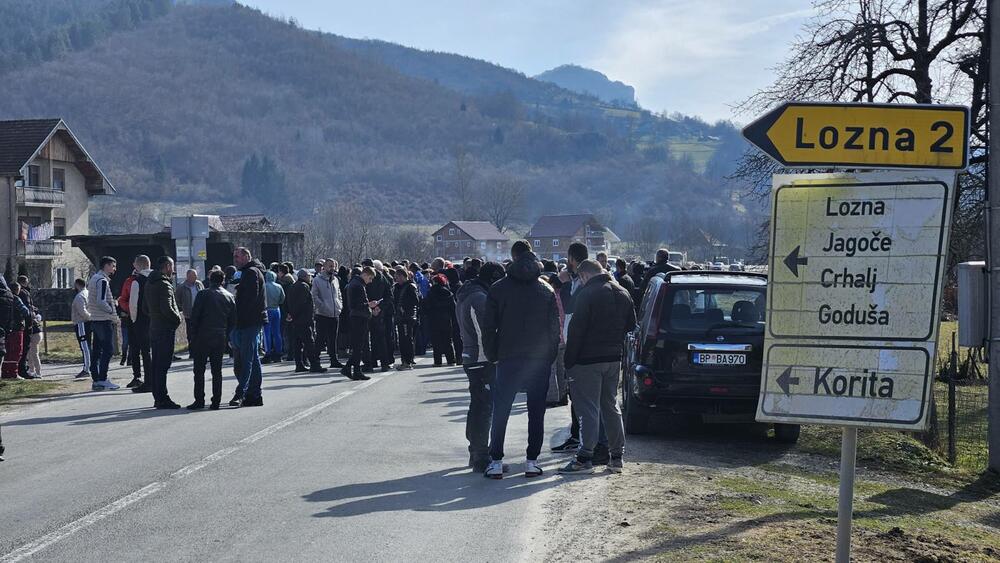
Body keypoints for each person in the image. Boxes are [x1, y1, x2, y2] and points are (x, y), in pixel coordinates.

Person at [481, 241, 560, 479]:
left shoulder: (498, 288)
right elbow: (554, 328)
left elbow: (489, 327)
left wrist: (493, 354)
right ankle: (531, 461)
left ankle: (496, 461)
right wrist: (549, 355)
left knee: (501, 409)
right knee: (536, 411)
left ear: (513, 258)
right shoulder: (546, 290)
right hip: (538, 359)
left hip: (508, 357)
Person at [558, 260, 635, 475]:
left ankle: (584, 457)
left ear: (583, 276)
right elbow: (631, 325)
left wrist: (568, 362)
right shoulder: (622, 292)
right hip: (613, 358)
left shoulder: (587, 293)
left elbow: (576, 331)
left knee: (588, 409)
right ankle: (617, 457)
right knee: (611, 406)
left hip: (586, 360)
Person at [455, 262, 506, 473]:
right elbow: (487, 332)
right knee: (484, 410)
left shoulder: (468, 293)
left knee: (477, 407)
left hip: (472, 356)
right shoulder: (480, 298)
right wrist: (496, 357)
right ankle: (481, 456)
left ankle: (475, 451)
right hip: (481, 358)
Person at [187, 269, 236, 410]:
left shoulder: (203, 294)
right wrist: (226, 333)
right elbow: (233, 319)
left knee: (199, 370)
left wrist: (193, 336)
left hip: (203, 335)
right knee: (217, 370)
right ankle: (216, 401)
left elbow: (195, 316)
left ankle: (199, 399)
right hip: (219, 335)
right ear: (223, 280)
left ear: (210, 280)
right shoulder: (229, 296)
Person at [143, 256, 183, 409]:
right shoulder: (164, 284)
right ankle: (162, 398)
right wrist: (177, 319)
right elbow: (168, 308)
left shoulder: (149, 282)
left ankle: (158, 396)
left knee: (156, 364)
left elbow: (145, 308)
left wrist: (154, 316)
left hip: (154, 326)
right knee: (163, 365)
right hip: (165, 328)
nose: (173, 270)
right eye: (172, 266)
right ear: (167, 266)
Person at [231, 247, 267, 407]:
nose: (235, 259)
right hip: (250, 321)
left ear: (246, 256)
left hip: (249, 321)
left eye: (237, 256)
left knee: (246, 359)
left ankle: (242, 392)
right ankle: (254, 394)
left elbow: (250, 299)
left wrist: (239, 313)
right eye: (234, 257)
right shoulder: (250, 272)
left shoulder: (251, 272)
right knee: (252, 358)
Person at [86, 256, 120, 391]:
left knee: (97, 351)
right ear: (106, 266)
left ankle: (96, 379)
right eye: (113, 266)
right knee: (108, 350)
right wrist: (111, 309)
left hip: (95, 319)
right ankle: (103, 378)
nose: (114, 269)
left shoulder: (94, 278)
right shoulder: (102, 280)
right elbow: (101, 301)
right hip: (103, 319)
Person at [285, 269, 328, 374]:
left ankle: (299, 364)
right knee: (309, 343)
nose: (310, 278)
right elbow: (302, 303)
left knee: (297, 343)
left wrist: (291, 314)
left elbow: (288, 302)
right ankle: (314, 364)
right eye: (309, 276)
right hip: (304, 319)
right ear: (304, 276)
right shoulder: (304, 287)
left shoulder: (293, 287)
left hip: (296, 320)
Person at [127, 255, 153, 392]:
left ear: (137, 266)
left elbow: (133, 305)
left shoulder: (137, 282)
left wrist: (134, 320)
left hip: (142, 320)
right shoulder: (159, 278)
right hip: (158, 320)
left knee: (145, 352)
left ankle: (149, 381)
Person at [343, 267, 374, 381]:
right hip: (358, 317)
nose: (370, 281)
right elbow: (356, 304)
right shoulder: (357, 285)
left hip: (358, 316)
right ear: (365, 275)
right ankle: (352, 369)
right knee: (358, 346)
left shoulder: (356, 283)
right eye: (370, 278)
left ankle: (354, 369)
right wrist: (369, 305)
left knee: (359, 346)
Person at [311, 259, 344, 368]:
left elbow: (338, 294)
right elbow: (314, 296)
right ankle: (315, 362)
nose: (332, 268)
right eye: (330, 266)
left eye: (333, 266)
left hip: (335, 313)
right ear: (324, 267)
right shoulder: (317, 280)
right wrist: (323, 307)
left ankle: (334, 360)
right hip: (322, 314)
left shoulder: (335, 280)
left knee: (333, 338)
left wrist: (339, 306)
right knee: (320, 338)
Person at [364, 260, 393, 372]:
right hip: (378, 310)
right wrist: (380, 307)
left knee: (367, 339)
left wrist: (374, 307)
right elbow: (389, 295)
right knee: (380, 338)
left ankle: (370, 363)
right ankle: (383, 363)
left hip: (369, 310)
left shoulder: (367, 277)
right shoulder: (382, 277)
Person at [424, 274, 456, 366]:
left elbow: (427, 306)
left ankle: (438, 361)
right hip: (446, 319)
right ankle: (451, 360)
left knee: (436, 341)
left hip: (433, 319)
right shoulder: (448, 293)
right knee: (448, 341)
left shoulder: (431, 293)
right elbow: (453, 307)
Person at [392, 267, 419, 370]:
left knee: (407, 339)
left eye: (398, 277)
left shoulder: (410, 286)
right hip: (400, 317)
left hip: (407, 317)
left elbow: (415, 301)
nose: (396, 279)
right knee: (402, 340)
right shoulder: (397, 287)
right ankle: (405, 360)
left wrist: (405, 308)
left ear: (403, 276)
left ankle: (408, 361)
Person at [176, 269, 204, 357]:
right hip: (189, 313)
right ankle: (192, 352)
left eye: (195, 275)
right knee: (191, 333)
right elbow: (178, 300)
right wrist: (184, 307)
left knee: (200, 333)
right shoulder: (181, 287)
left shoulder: (199, 284)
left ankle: (201, 351)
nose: (195, 277)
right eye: (193, 276)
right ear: (188, 276)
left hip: (200, 313)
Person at [262, 270, 286, 364]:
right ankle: (278, 353)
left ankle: (267, 353)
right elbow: (282, 299)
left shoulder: (264, 286)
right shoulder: (279, 286)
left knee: (266, 332)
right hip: (277, 309)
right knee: (277, 333)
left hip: (267, 310)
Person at [71, 278, 92, 379]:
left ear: (77, 285)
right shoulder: (88, 293)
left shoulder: (80, 296)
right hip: (85, 323)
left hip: (81, 324)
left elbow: (82, 311)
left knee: (85, 347)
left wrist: (89, 318)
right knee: (87, 346)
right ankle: (90, 366)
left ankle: (87, 369)